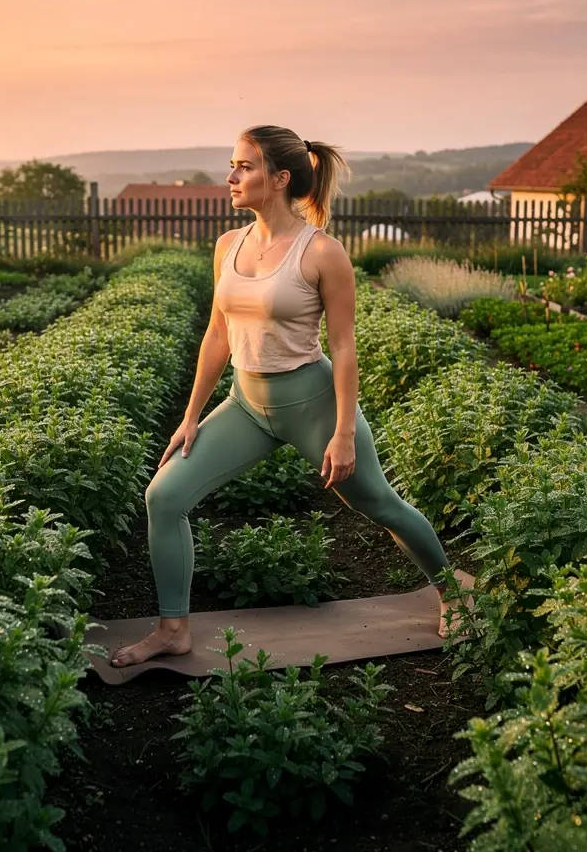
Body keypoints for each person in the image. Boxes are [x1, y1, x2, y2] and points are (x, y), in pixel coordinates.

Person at [109, 125, 463, 668]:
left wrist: (343, 434)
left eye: (244, 167)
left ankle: (454, 595)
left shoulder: (322, 253)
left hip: (312, 406)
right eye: (232, 165)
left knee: (379, 504)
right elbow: (218, 335)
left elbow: (344, 349)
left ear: (279, 178)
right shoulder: (228, 245)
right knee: (164, 497)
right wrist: (190, 417)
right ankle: (173, 629)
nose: (231, 177)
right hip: (246, 406)